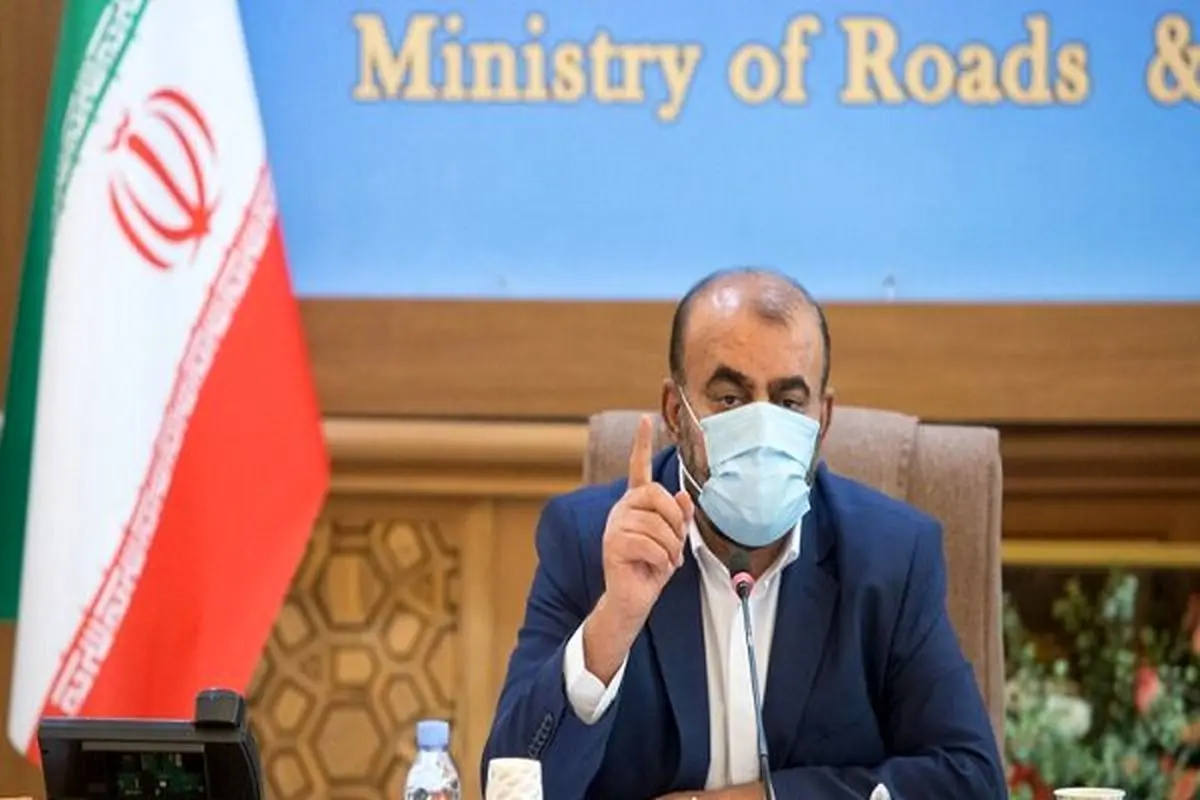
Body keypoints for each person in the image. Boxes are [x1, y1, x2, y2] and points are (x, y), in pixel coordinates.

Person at [480, 268, 1005, 799]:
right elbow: (511, 786)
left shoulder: (890, 557)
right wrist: (612, 624)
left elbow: (971, 781)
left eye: (788, 403)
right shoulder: (589, 539)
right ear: (675, 411)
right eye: (730, 398)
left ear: (822, 419)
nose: (761, 428)